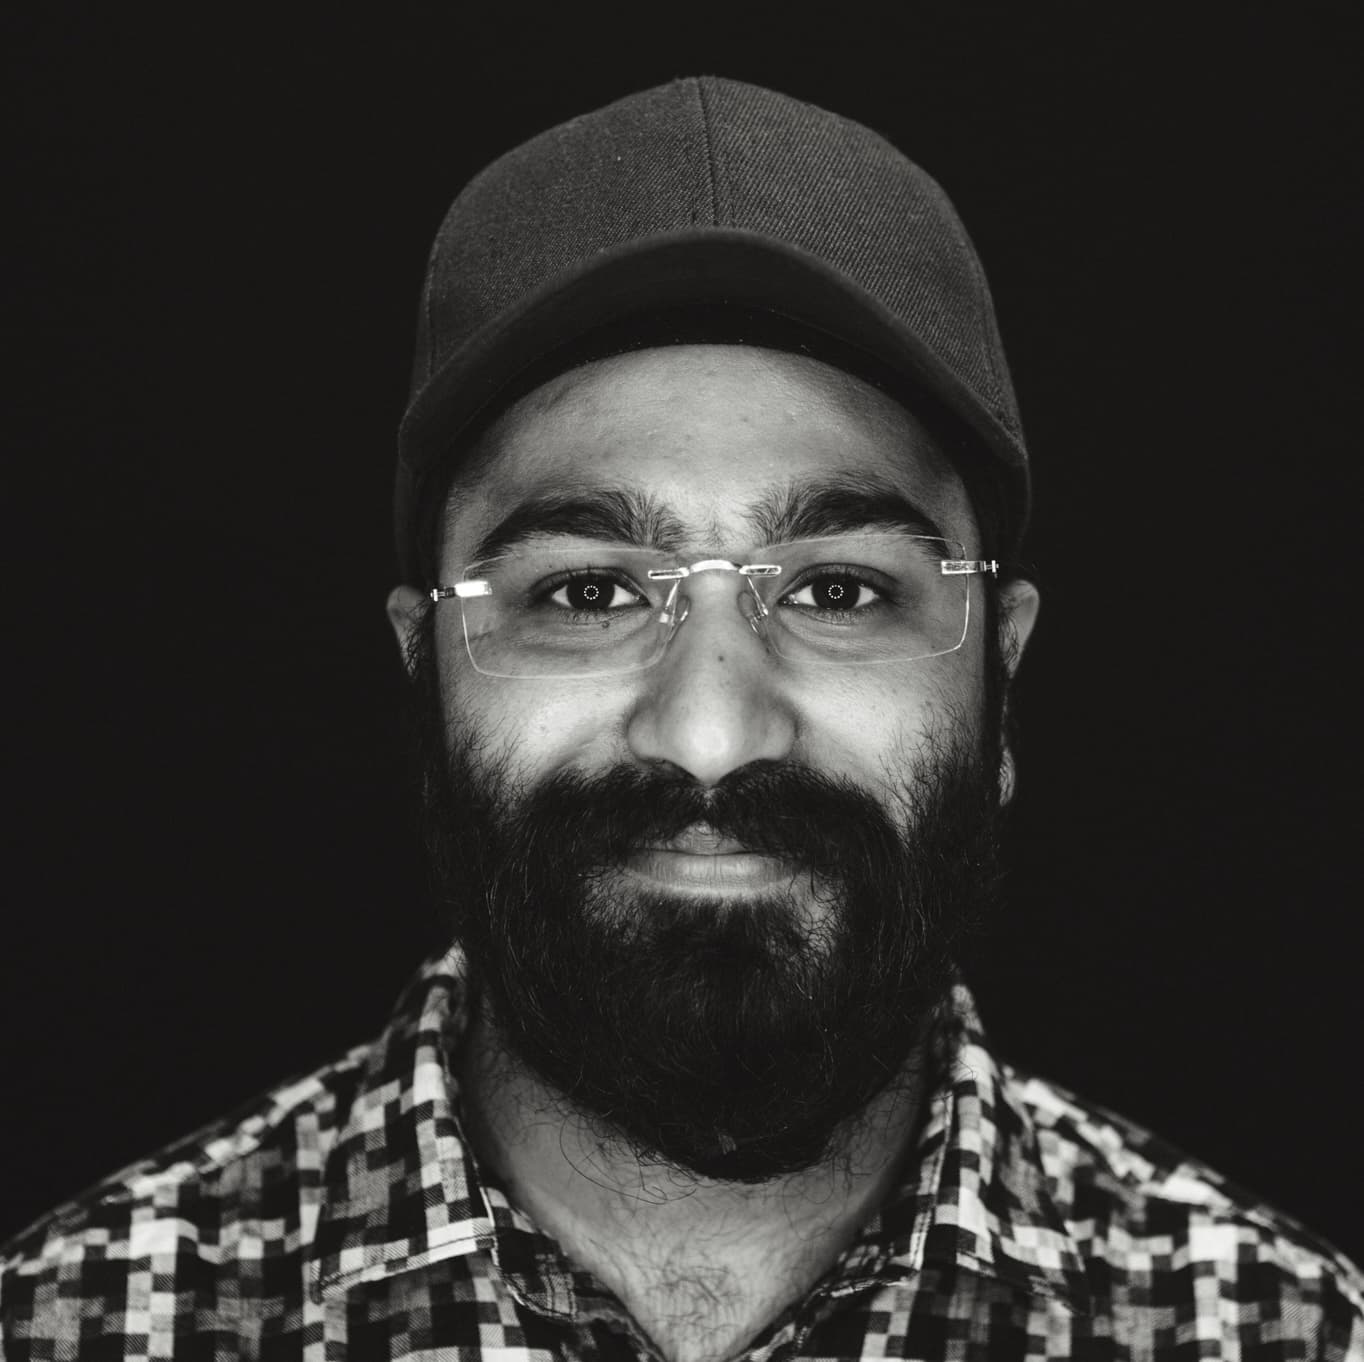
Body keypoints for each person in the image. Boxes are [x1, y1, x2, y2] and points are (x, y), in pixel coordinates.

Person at [2, 75, 1359, 1362]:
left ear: (1002, 674)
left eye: (837, 589)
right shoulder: (76, 1324)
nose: (712, 731)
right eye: (588, 591)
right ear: (425, 670)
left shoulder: (1286, 1332)